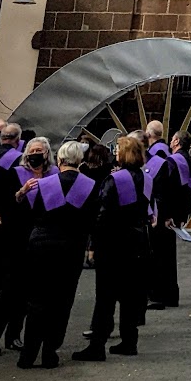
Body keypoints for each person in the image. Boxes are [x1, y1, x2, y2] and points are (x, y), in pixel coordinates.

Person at [18, 139, 98, 368]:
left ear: (59, 160)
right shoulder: (90, 186)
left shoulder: (46, 184)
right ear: (80, 161)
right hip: (70, 248)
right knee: (62, 301)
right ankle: (50, 352)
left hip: (42, 245)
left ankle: (28, 353)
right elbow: (91, 220)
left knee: (37, 299)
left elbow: (35, 214)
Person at [73, 133, 149, 361]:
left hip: (114, 243)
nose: (115, 152)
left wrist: (93, 244)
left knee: (105, 296)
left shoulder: (115, 179)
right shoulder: (145, 177)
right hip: (137, 241)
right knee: (129, 295)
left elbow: (104, 215)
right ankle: (129, 341)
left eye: (118, 149)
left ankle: (97, 346)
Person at [0, 133, 53, 357]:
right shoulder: (15, 174)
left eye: (39, 152)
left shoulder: (52, 175)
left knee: (28, 295)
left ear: (47, 154)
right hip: (16, 239)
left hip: (40, 240)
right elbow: (5, 205)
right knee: (9, 292)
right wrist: (21, 193)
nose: (35, 155)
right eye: (32, 152)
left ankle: (14, 335)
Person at [143, 120, 182, 308]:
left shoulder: (158, 157)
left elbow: (161, 189)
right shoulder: (166, 155)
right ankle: (167, 294)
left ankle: (159, 294)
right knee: (165, 254)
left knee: (159, 254)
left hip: (159, 211)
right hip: (165, 211)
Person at [170, 131, 191, 226]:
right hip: (183, 207)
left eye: (172, 139)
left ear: (177, 141)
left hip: (172, 207)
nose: (170, 141)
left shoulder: (173, 160)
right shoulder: (189, 160)